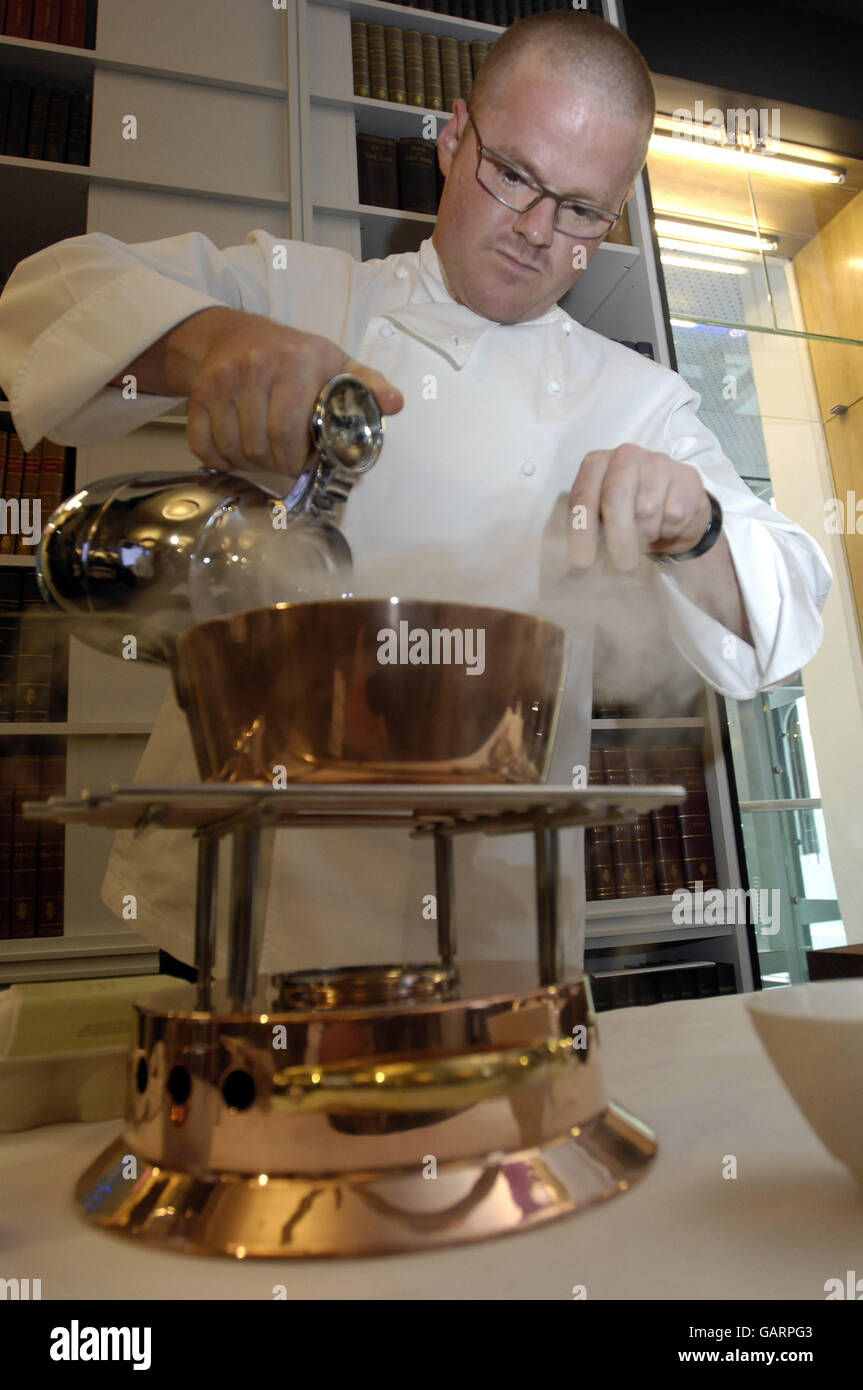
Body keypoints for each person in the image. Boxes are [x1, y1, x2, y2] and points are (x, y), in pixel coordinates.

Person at [0, 13, 831, 980]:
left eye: (579, 210)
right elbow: (46, 301)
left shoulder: (637, 402)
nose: (533, 232)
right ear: (451, 134)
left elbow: (787, 608)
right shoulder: (309, 294)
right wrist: (212, 343)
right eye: (512, 174)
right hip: (242, 889)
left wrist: (694, 527)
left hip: (481, 914)